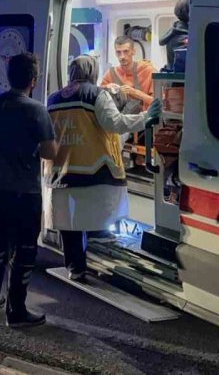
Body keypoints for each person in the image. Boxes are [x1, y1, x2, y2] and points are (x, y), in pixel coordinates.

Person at [46, 56, 161, 280]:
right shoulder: (96, 95)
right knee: (93, 219)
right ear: (92, 72)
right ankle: (99, 259)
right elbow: (115, 124)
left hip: (61, 171)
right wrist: (147, 117)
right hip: (92, 170)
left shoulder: (53, 98)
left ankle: (74, 267)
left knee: (69, 224)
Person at [0, 52, 58, 328]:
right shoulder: (36, 110)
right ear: (32, 81)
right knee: (23, 252)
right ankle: (17, 311)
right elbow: (49, 152)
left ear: (8, 77)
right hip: (25, 192)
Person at [100, 35, 155, 110]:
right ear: (115, 53)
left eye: (126, 51)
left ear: (133, 51)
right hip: (119, 119)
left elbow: (159, 103)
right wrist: (109, 89)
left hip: (144, 119)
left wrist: (135, 93)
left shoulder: (147, 71)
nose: (122, 56)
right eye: (118, 52)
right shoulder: (110, 74)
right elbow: (100, 99)